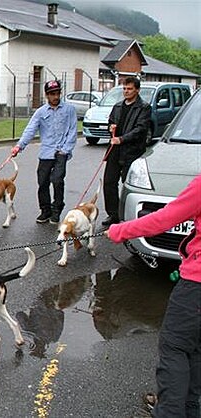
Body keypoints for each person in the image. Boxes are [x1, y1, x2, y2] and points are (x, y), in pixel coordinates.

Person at [105, 174, 201, 418]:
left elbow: (165, 218)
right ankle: (190, 408)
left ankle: (169, 411)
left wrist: (120, 230)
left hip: (196, 287)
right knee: (196, 350)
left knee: (175, 348)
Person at [11, 79, 77, 224]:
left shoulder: (69, 110)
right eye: (52, 94)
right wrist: (19, 146)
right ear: (46, 95)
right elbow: (30, 129)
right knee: (43, 182)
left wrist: (65, 150)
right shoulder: (40, 112)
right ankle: (45, 210)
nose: (55, 96)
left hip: (62, 152)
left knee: (57, 181)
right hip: (46, 152)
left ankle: (56, 210)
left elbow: (72, 131)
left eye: (57, 93)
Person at [102, 76, 151, 227]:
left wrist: (122, 139)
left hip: (132, 151)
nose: (126, 91)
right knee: (109, 182)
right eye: (124, 88)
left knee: (128, 184)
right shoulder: (117, 106)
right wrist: (111, 128)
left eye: (129, 89)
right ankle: (113, 214)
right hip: (115, 150)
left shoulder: (144, 107)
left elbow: (140, 129)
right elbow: (110, 121)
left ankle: (129, 216)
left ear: (137, 90)